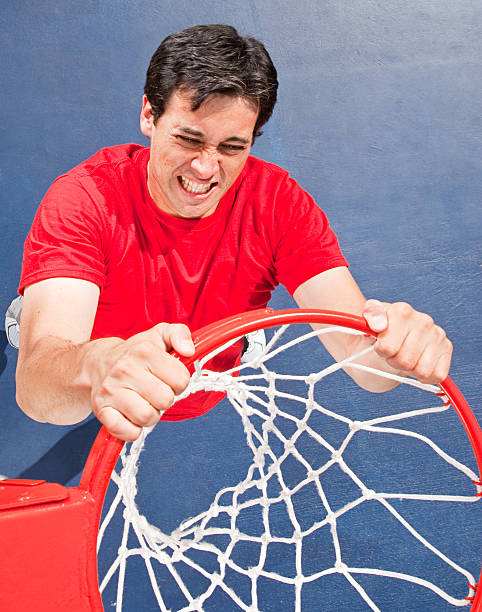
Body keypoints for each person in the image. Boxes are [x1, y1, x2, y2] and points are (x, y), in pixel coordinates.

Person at [15, 24, 452, 442]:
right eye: (188, 139)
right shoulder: (85, 197)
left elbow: (365, 368)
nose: (205, 169)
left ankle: (233, 335)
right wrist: (97, 362)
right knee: (52, 353)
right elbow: (36, 394)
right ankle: (32, 316)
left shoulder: (279, 202)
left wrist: (399, 349)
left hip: (210, 372)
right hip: (107, 361)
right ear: (149, 114)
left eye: (232, 147)